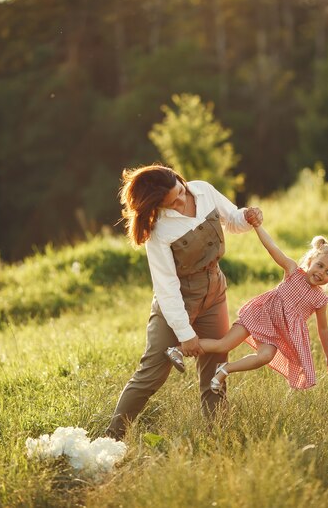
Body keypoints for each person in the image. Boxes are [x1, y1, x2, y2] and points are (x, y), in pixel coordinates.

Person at [106, 164, 262, 440]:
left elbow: (232, 220)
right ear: (157, 205)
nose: (180, 201)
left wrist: (247, 215)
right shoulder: (157, 230)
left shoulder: (202, 190)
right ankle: (111, 438)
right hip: (177, 304)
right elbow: (166, 287)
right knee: (151, 375)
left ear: (179, 179)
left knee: (215, 370)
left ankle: (220, 437)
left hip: (214, 293)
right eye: (171, 203)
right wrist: (185, 334)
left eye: (180, 192)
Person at [167, 226, 328, 392]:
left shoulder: (320, 299)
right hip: (259, 315)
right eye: (320, 265)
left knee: (264, 356)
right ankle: (177, 350)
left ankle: (225, 369)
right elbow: (272, 247)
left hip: (277, 331)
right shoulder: (292, 271)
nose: (321, 273)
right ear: (311, 260)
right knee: (224, 344)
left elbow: (323, 329)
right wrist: (257, 227)